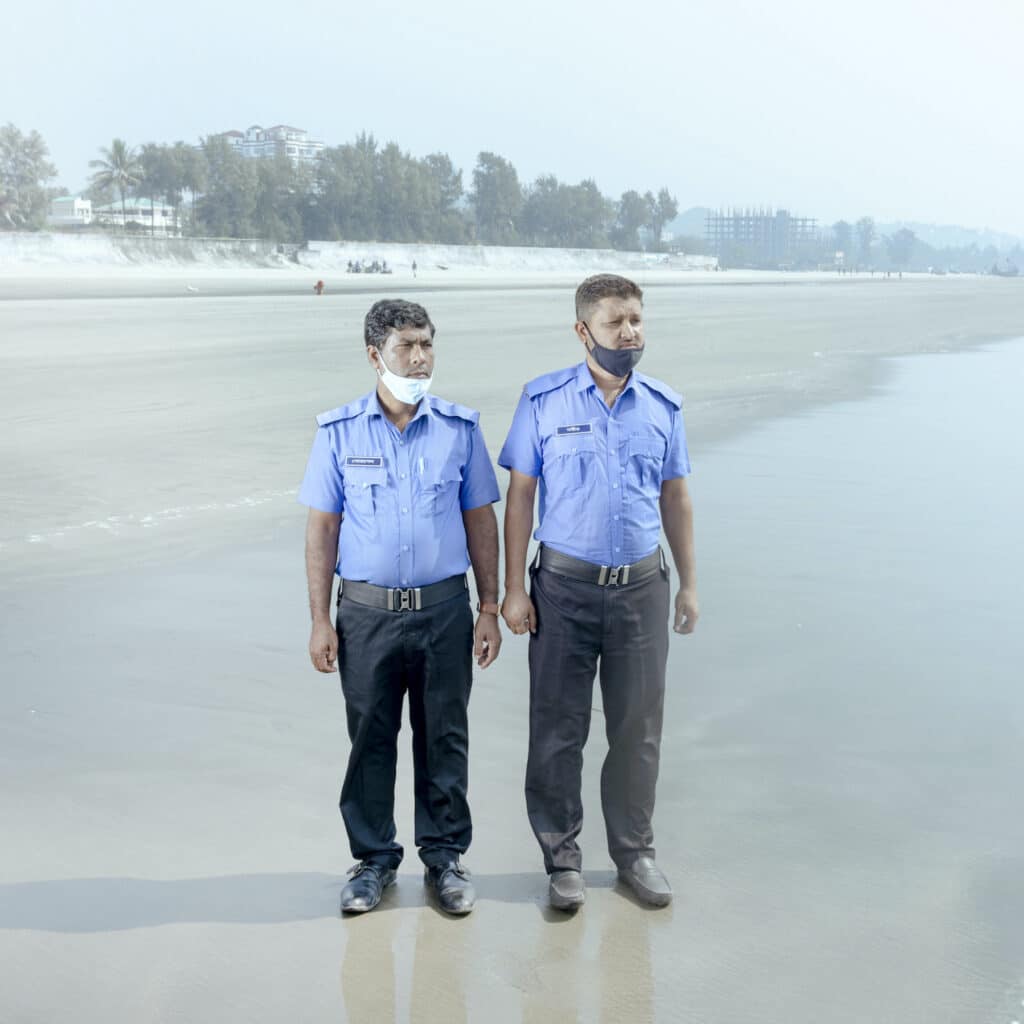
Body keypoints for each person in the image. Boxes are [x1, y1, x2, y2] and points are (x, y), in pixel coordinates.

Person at [498, 273, 699, 911]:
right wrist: (512, 591)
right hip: (562, 590)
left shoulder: (664, 407)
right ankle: (562, 861)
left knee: (638, 730)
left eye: (636, 319)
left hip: (641, 588)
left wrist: (689, 584)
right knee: (558, 730)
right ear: (584, 330)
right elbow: (520, 497)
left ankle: (636, 854)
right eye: (616, 322)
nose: (630, 332)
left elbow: (676, 498)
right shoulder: (542, 401)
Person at [300, 298, 502, 916]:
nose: (418, 358)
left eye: (426, 345)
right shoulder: (339, 432)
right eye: (404, 347)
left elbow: (480, 522)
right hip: (365, 614)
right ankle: (373, 862)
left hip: (445, 611)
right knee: (370, 738)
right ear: (374, 355)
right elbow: (322, 531)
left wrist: (489, 606)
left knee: (445, 737)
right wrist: (317, 620)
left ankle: (444, 860)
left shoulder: (459, 429)